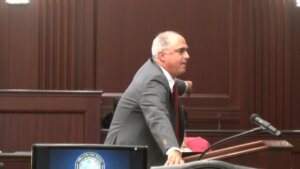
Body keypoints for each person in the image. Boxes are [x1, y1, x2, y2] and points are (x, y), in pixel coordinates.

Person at [104, 31, 192, 168]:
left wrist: (185, 86)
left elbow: (170, 83)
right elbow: (156, 114)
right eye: (181, 51)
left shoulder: (154, 71)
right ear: (162, 56)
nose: (187, 56)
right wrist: (172, 148)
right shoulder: (153, 79)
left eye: (186, 51)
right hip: (126, 159)